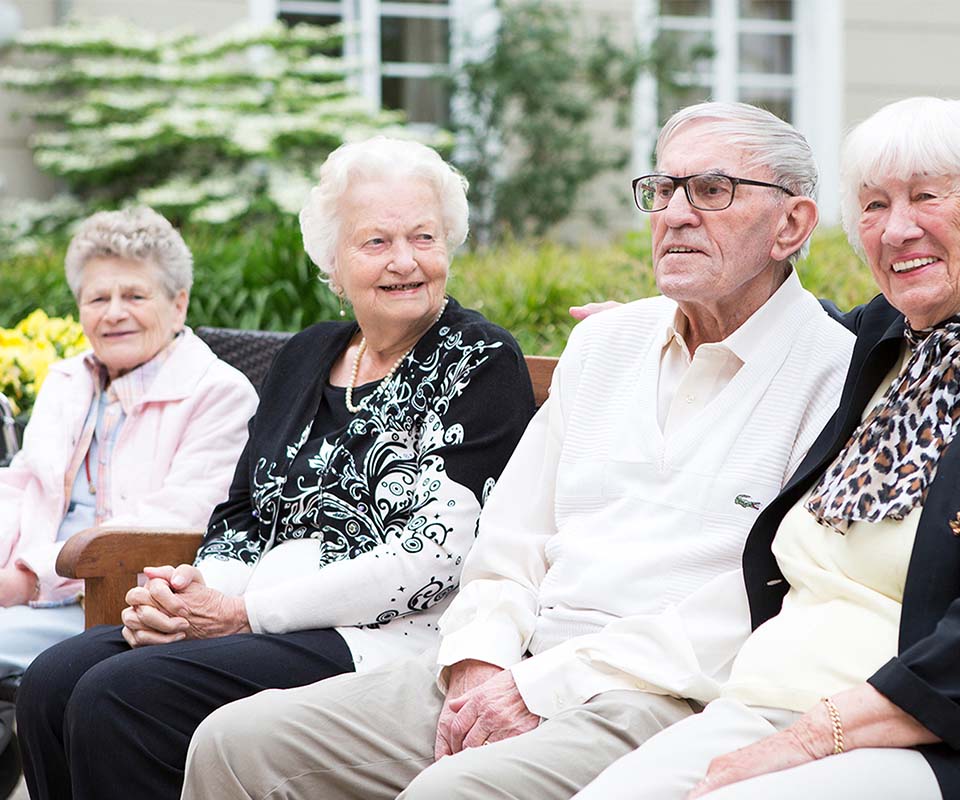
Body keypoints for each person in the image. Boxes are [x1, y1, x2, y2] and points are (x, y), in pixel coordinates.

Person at [179, 102, 856, 800]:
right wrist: (479, 656)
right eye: (662, 190)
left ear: (792, 224)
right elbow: (508, 544)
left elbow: (755, 603)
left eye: (712, 191)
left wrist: (539, 684)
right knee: (235, 744)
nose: (676, 214)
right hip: (511, 657)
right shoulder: (607, 344)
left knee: (451, 792)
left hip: (659, 694)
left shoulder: (833, 374)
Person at [552, 97, 960, 800]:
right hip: (774, 701)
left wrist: (811, 737)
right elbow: (776, 329)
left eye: (927, 197)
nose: (898, 229)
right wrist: (656, 329)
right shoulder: (891, 342)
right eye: (875, 206)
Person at [17, 136, 537, 800]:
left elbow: (432, 559)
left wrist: (240, 612)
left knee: (120, 696)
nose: (405, 261)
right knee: (53, 679)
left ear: (449, 247)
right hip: (257, 616)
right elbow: (243, 515)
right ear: (333, 262)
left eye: (424, 238)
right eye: (376, 243)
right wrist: (188, 601)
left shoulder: (477, 357)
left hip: (380, 637)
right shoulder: (309, 354)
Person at [0, 206, 257, 675]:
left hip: (119, 607)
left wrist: (25, 578)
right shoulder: (66, 381)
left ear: (178, 305)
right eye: (98, 299)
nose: (114, 313)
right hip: (27, 596)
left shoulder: (220, 394)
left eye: (135, 295)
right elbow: (21, 488)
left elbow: (177, 521)